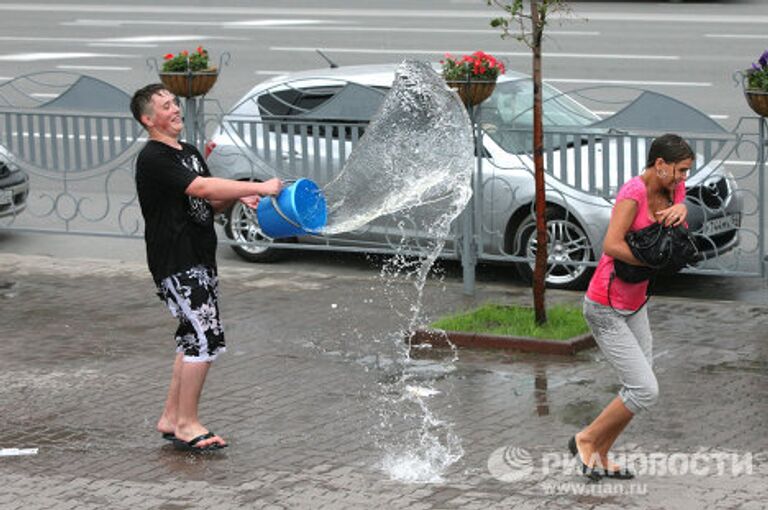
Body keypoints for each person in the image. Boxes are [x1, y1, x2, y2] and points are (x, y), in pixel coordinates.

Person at [130, 83, 282, 451]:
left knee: (191, 336)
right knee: (205, 338)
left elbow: (203, 203)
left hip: (199, 257)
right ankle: (186, 423)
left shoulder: (189, 152)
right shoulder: (154, 158)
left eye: (175, 103)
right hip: (177, 261)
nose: (175, 109)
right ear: (148, 119)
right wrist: (259, 188)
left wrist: (235, 196)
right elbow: (200, 188)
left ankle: (171, 417)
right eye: (166, 106)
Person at [571, 133, 693, 479]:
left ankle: (601, 452)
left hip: (636, 303)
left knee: (638, 389)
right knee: (644, 389)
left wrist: (683, 208)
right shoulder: (633, 193)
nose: (684, 177)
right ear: (660, 165)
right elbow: (610, 245)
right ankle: (586, 438)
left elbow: (676, 227)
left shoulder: (673, 189)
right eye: (680, 170)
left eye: (687, 171)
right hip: (605, 305)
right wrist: (650, 263)